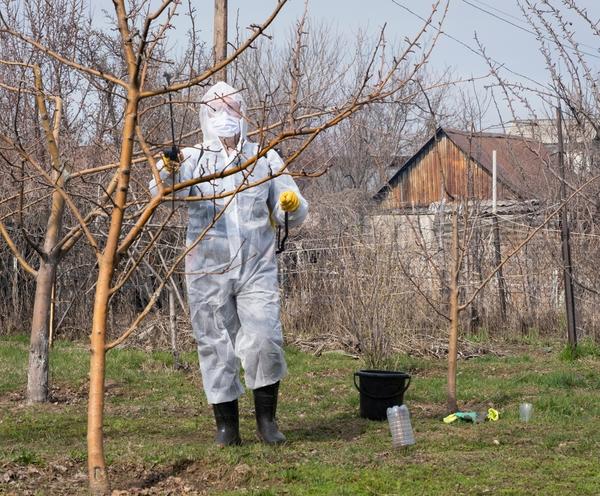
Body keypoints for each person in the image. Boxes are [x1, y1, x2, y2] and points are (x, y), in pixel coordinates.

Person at [149, 81, 308, 446]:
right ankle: (227, 427)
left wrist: (290, 204)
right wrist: (169, 168)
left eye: (232, 108)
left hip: (256, 267)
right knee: (214, 342)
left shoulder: (263, 157)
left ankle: (267, 421)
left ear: (243, 112)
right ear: (205, 115)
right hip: (207, 267)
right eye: (216, 109)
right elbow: (161, 193)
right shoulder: (192, 158)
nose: (225, 115)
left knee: (264, 338)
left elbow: (296, 208)